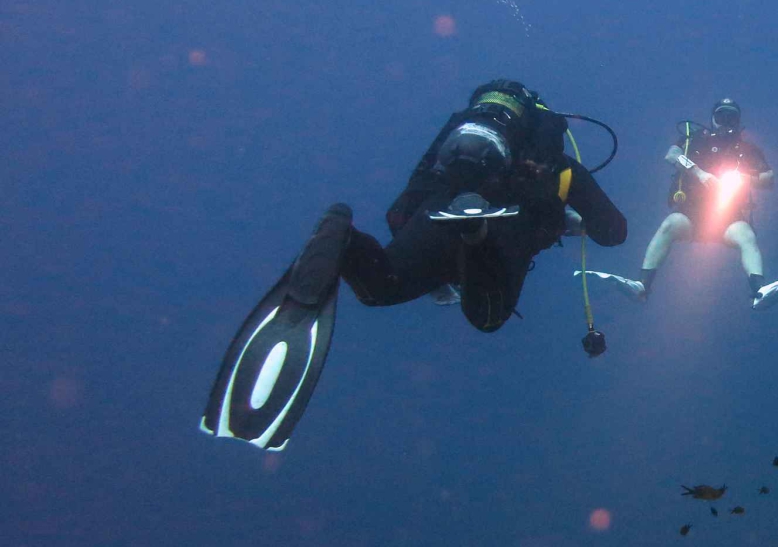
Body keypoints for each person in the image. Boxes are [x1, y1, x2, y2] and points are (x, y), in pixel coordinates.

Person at [202, 79, 627, 450]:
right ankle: (474, 232)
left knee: (381, 288)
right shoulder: (558, 167)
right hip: (500, 230)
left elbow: (398, 213)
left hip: (435, 213)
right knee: (487, 316)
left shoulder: (451, 154)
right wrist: (565, 214)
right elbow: (614, 232)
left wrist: (425, 253)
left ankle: (339, 231)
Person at [580, 97, 778, 310]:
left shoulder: (747, 149)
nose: (726, 123)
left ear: (738, 121)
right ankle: (642, 286)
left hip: (728, 218)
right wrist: (699, 173)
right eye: (722, 117)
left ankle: (760, 290)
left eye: (732, 118)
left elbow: (770, 178)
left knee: (746, 235)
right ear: (712, 118)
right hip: (692, 214)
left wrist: (745, 177)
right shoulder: (695, 140)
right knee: (669, 225)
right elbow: (672, 155)